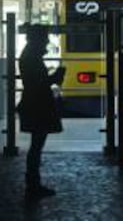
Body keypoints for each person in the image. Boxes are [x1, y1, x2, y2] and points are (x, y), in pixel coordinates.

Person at [17, 24, 66, 199]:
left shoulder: (28, 55)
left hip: (32, 103)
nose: (46, 42)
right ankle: (33, 185)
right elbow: (40, 83)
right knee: (37, 146)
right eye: (44, 38)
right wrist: (57, 77)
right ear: (38, 39)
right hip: (37, 105)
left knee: (36, 146)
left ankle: (33, 183)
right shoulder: (33, 58)